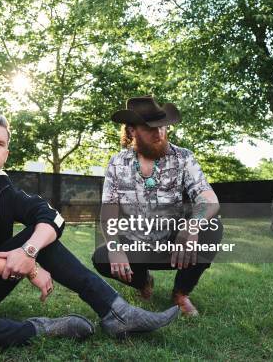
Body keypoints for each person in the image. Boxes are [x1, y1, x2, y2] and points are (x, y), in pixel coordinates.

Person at [0, 111, 179, 348]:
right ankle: (37, 329)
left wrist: (29, 250)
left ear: (6, 153)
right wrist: (30, 267)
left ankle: (117, 313)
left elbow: (52, 217)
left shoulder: (1, 185)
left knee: (42, 237)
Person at [92, 96, 224, 316]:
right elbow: (109, 210)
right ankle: (143, 282)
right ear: (132, 131)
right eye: (149, 127)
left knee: (212, 228)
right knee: (102, 257)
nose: (159, 133)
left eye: (162, 126)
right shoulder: (117, 163)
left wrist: (191, 228)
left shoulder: (183, 157)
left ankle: (181, 293)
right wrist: (115, 248)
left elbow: (208, 198)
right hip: (136, 244)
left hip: (175, 246)